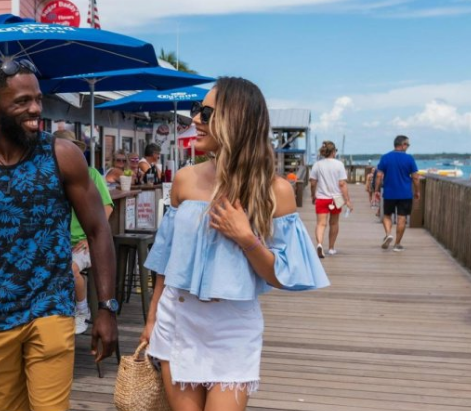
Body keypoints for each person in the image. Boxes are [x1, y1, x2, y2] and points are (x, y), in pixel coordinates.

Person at [0, 59, 118, 411]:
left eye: (38, 99)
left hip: (51, 308)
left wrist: (106, 307)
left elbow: (98, 230)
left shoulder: (62, 155)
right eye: (23, 101)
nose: (35, 110)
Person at [140, 77, 329, 411]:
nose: (195, 119)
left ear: (235, 120)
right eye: (197, 110)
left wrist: (246, 238)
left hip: (232, 328)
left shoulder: (275, 191)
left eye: (207, 113)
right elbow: (165, 261)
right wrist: (152, 319)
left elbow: (283, 275)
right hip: (178, 318)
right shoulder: (184, 180)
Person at [54, 129, 115, 334]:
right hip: (58, 243)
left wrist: (91, 239)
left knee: (70, 269)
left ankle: (82, 311)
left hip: (82, 242)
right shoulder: (50, 178)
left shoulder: (91, 174)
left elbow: (107, 207)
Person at [373, 135, 420, 252]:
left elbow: (378, 175)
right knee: (402, 218)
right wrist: (417, 191)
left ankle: (388, 233)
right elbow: (416, 177)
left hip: (389, 192)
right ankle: (397, 244)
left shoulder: (385, 157)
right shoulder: (409, 159)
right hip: (405, 194)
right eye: (407, 145)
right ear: (403, 145)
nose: (408, 147)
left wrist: (376, 190)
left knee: (387, 215)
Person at [308, 141, 351, 257]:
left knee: (321, 224)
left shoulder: (317, 165)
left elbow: (312, 183)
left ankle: (319, 244)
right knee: (334, 223)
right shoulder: (339, 164)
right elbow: (342, 184)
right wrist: (347, 200)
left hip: (321, 197)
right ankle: (331, 248)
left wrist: (313, 196)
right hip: (337, 198)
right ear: (333, 152)